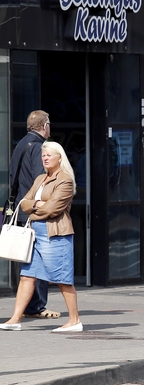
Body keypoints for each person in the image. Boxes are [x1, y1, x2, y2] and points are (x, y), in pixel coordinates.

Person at [0, 142, 81, 332]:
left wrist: (34, 206)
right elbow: (24, 203)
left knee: (62, 279)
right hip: (35, 234)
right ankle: (15, 319)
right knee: (27, 276)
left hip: (55, 235)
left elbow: (53, 210)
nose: (44, 158)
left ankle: (74, 320)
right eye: (43, 155)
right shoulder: (40, 179)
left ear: (59, 158)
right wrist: (38, 204)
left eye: (49, 155)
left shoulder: (65, 180)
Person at [7, 110, 58, 320]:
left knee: (26, 259)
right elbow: (41, 180)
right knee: (39, 258)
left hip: (21, 208)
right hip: (34, 211)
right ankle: (36, 305)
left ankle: (29, 305)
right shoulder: (39, 148)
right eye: (49, 124)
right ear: (44, 125)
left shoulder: (22, 144)